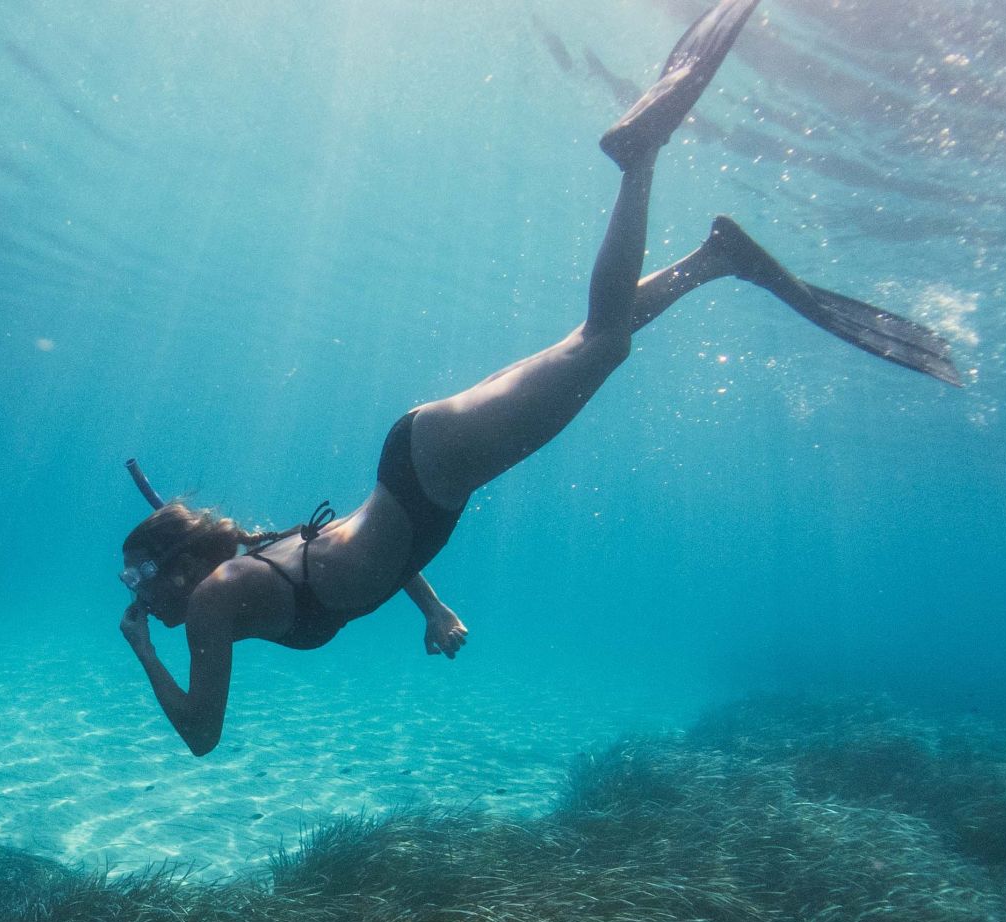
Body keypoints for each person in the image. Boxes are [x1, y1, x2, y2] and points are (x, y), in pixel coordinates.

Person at [118, 0, 960, 756]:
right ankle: (713, 259)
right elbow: (367, 560)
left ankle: (637, 154)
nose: (136, 598)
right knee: (585, 341)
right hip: (420, 466)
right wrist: (434, 611)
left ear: (170, 570)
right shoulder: (248, 560)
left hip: (428, 474)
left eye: (136, 581)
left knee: (600, 346)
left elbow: (202, 735)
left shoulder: (213, 603)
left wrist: (143, 648)